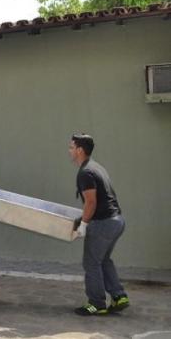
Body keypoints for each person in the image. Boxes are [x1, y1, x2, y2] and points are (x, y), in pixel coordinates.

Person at [68, 134, 129, 316]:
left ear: (80, 150)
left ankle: (97, 304)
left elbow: (91, 202)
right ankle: (119, 296)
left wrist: (84, 224)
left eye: (71, 147)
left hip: (103, 223)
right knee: (103, 260)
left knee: (91, 262)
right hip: (116, 221)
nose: (69, 151)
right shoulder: (95, 167)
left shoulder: (86, 172)